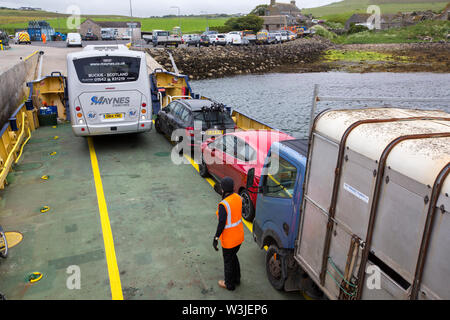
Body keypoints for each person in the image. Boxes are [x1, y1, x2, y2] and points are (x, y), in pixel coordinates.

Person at [213, 177, 245, 290]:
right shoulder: (238, 197)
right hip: (239, 236)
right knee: (233, 257)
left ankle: (229, 284)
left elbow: (221, 223)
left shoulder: (223, 205)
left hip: (229, 240)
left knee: (228, 261)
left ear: (223, 189)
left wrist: (216, 238)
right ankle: (237, 278)